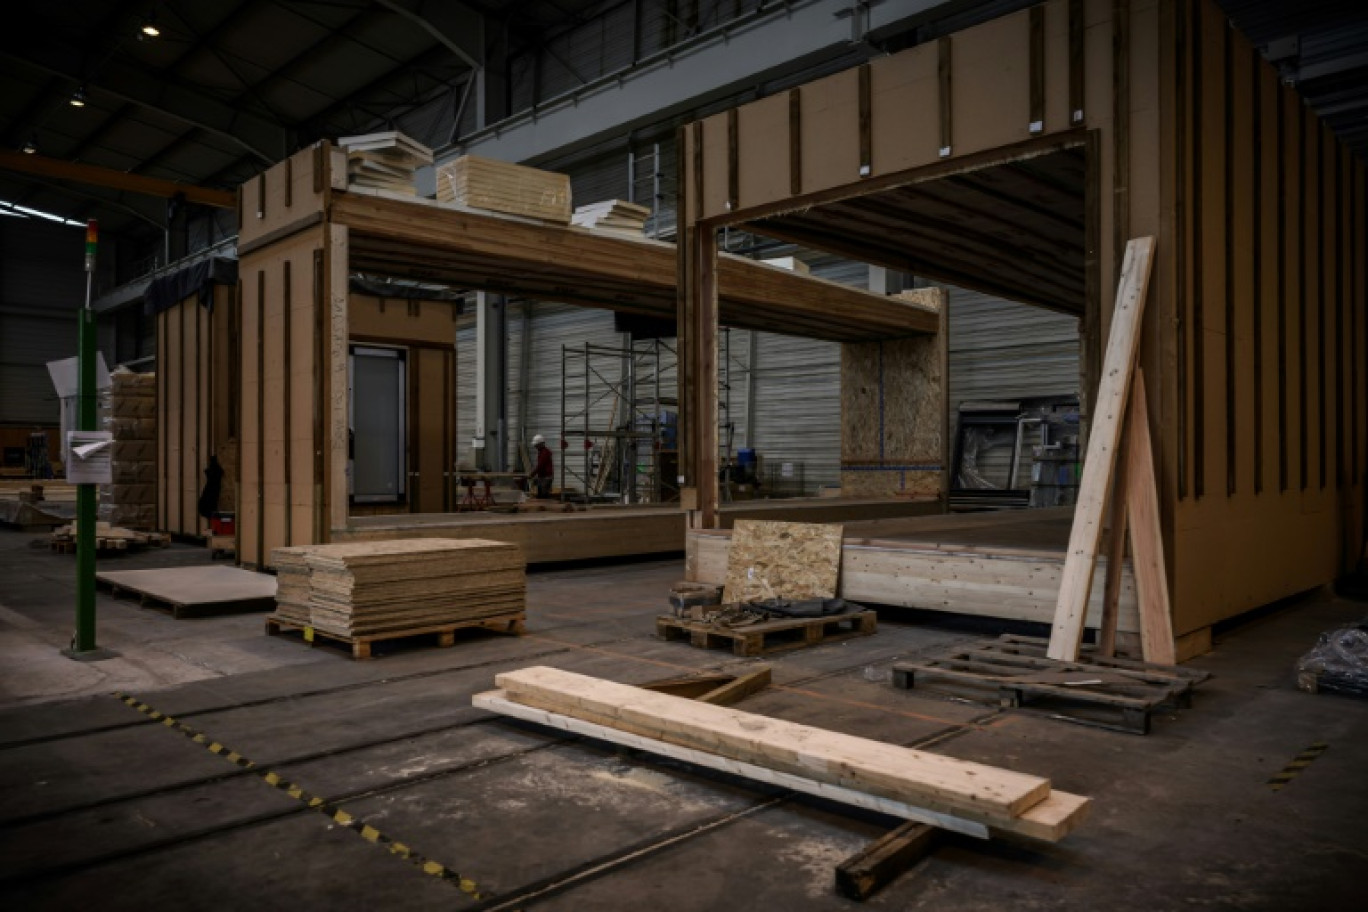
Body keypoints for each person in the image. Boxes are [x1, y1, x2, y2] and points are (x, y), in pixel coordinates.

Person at [529, 434, 554, 499]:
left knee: (543, 497)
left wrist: (532, 474)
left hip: (545, 478)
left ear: (540, 444)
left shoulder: (544, 453)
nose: (535, 446)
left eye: (536, 445)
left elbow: (540, 466)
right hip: (543, 477)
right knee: (540, 496)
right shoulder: (542, 452)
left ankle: (544, 508)